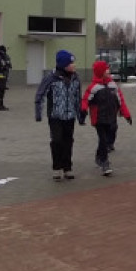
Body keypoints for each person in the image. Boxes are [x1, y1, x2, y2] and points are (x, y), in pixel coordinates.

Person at [35, 50, 85, 181]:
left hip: (70, 116)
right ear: (63, 64)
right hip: (55, 116)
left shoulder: (76, 78)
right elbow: (40, 95)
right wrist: (38, 113)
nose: (74, 65)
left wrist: (81, 116)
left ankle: (67, 168)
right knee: (57, 141)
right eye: (71, 63)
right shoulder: (50, 78)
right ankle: (57, 168)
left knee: (68, 142)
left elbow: (78, 98)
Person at [80, 60, 133, 176]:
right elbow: (85, 100)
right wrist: (83, 111)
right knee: (103, 139)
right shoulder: (94, 87)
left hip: (111, 117)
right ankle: (104, 162)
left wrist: (126, 114)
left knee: (110, 136)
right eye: (106, 69)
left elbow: (121, 101)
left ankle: (99, 155)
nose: (108, 71)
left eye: (108, 69)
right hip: (98, 118)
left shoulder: (113, 85)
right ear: (100, 72)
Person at [0, 45, 12, 111]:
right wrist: (6, 64)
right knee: (1, 91)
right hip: (1, 75)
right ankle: (0, 105)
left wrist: (6, 64)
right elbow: (2, 64)